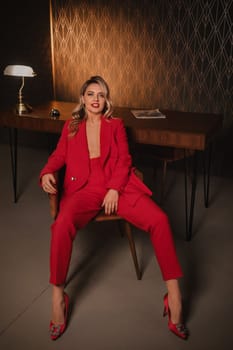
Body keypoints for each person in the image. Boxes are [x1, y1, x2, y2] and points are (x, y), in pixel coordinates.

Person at [40, 75, 189, 340]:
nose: (96, 99)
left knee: (160, 220)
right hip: (83, 189)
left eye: (101, 94)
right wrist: (47, 172)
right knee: (61, 225)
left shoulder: (116, 125)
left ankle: (174, 296)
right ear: (83, 99)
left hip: (118, 186)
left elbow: (124, 159)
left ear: (106, 100)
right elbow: (59, 155)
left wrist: (113, 188)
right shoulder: (71, 126)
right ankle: (57, 297)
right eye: (91, 94)